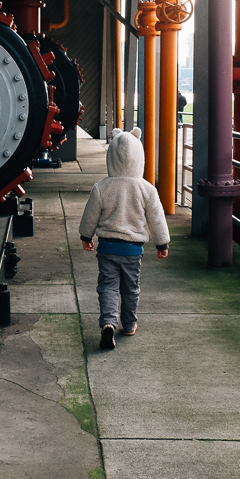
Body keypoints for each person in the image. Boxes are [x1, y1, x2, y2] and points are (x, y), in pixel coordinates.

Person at [80, 127, 170, 350]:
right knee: (130, 288)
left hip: (108, 248)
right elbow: (157, 219)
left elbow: (90, 215)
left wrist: (86, 236)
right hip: (132, 250)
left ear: (110, 157)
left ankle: (108, 323)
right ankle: (129, 324)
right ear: (140, 158)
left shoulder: (101, 187)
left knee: (108, 286)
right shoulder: (147, 189)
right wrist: (162, 243)